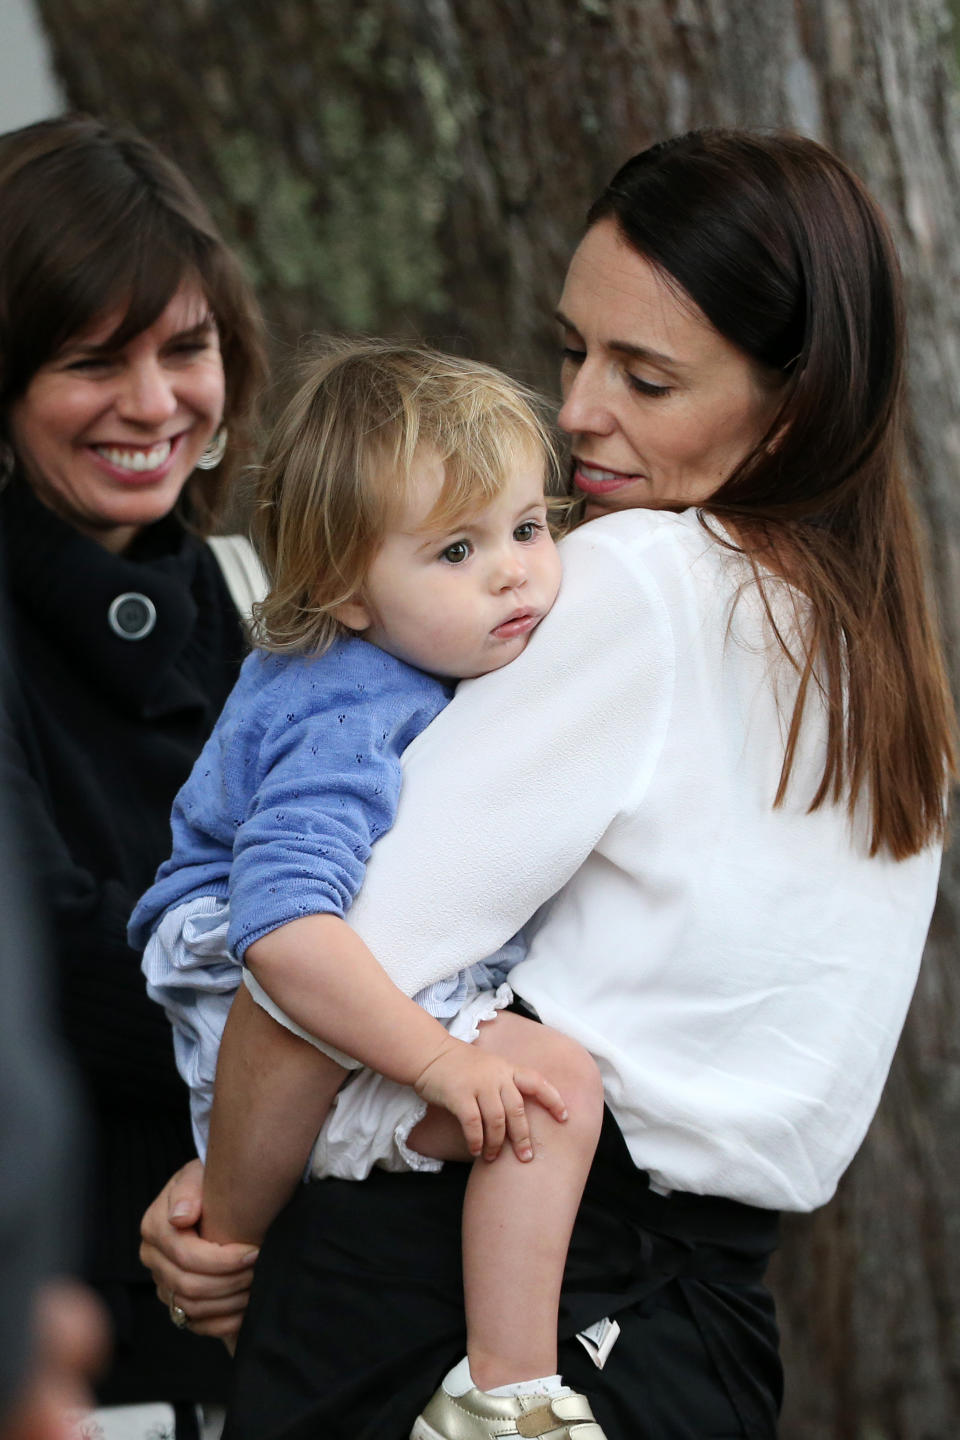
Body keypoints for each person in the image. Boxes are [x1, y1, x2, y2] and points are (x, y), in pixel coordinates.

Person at [141, 130, 954, 1440]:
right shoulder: (890, 673)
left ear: (791, 408)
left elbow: (325, 979)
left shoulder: (646, 585)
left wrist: (225, 1230)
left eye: (645, 375)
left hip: (461, 1306)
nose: (575, 411)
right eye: (575, 350)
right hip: (711, 1341)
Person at [130, 339, 609, 1437]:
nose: (515, 572)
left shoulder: (416, 660)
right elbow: (285, 932)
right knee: (547, 1097)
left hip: (316, 1006)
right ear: (345, 589)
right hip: (262, 996)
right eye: (457, 548)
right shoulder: (347, 708)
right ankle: (506, 1402)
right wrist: (441, 1061)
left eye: (531, 527)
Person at [0, 113, 267, 1426]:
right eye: (90, 360)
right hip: (65, 1356)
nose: (155, 404)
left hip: (276, 1346)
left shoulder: (260, 602)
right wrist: (322, 1009)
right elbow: (41, 955)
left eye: (185, 348)